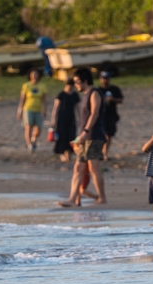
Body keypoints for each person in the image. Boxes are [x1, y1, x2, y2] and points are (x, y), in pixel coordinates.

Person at [58, 67, 107, 207]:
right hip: (85, 136)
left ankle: (102, 198)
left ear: (85, 80)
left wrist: (85, 132)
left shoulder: (94, 93)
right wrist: (79, 137)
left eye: (77, 81)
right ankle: (73, 199)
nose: (76, 84)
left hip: (94, 135)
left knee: (94, 168)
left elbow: (95, 114)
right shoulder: (85, 94)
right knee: (78, 168)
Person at [17, 69, 46, 152]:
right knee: (28, 127)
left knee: (38, 129)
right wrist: (20, 110)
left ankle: (33, 138)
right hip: (28, 108)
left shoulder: (42, 86)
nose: (35, 76)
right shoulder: (26, 86)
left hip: (38, 109)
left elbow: (44, 99)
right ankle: (29, 145)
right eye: (33, 74)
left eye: (36, 74)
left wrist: (44, 109)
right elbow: (22, 99)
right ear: (30, 76)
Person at [51, 78, 79, 162]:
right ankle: (62, 154)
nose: (70, 88)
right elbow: (56, 108)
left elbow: (78, 108)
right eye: (68, 86)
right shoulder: (61, 95)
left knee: (71, 136)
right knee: (62, 137)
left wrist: (81, 118)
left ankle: (69, 154)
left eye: (71, 86)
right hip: (61, 119)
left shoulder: (75, 95)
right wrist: (53, 119)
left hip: (71, 119)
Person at [99, 71, 123, 160]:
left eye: (106, 78)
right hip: (101, 116)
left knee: (109, 135)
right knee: (102, 135)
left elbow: (121, 100)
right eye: (103, 78)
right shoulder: (98, 90)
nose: (105, 80)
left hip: (112, 115)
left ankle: (105, 153)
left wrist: (112, 99)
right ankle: (101, 152)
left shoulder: (115, 89)